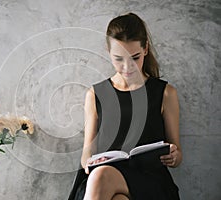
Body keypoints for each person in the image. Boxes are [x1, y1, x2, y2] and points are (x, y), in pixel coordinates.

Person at [68, 12, 182, 200]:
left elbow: (177, 154)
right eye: (118, 59)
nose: (127, 67)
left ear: (145, 49)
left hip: (149, 180)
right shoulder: (95, 95)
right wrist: (92, 161)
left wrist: (173, 156)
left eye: (134, 57)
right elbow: (86, 153)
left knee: (100, 177)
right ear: (109, 53)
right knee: (109, 186)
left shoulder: (165, 93)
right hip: (105, 177)